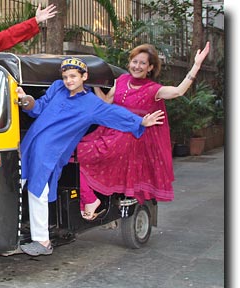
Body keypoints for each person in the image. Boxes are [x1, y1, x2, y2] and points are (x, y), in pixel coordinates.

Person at [16, 57, 165, 256]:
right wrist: (26, 100)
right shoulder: (57, 88)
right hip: (30, 145)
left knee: (37, 191)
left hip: (50, 154)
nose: (68, 81)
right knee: (18, 184)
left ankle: (42, 241)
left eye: (73, 77)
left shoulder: (91, 104)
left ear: (84, 77)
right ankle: (13, 234)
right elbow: (38, 108)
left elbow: (114, 113)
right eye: (66, 76)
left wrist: (140, 122)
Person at [78, 42, 210, 219]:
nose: (137, 66)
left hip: (128, 139)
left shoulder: (153, 89)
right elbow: (105, 104)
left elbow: (178, 92)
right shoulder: (121, 81)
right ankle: (88, 200)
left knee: (80, 155)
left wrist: (196, 65)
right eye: (134, 61)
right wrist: (93, 84)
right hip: (108, 133)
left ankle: (90, 201)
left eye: (142, 63)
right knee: (71, 152)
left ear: (150, 67)